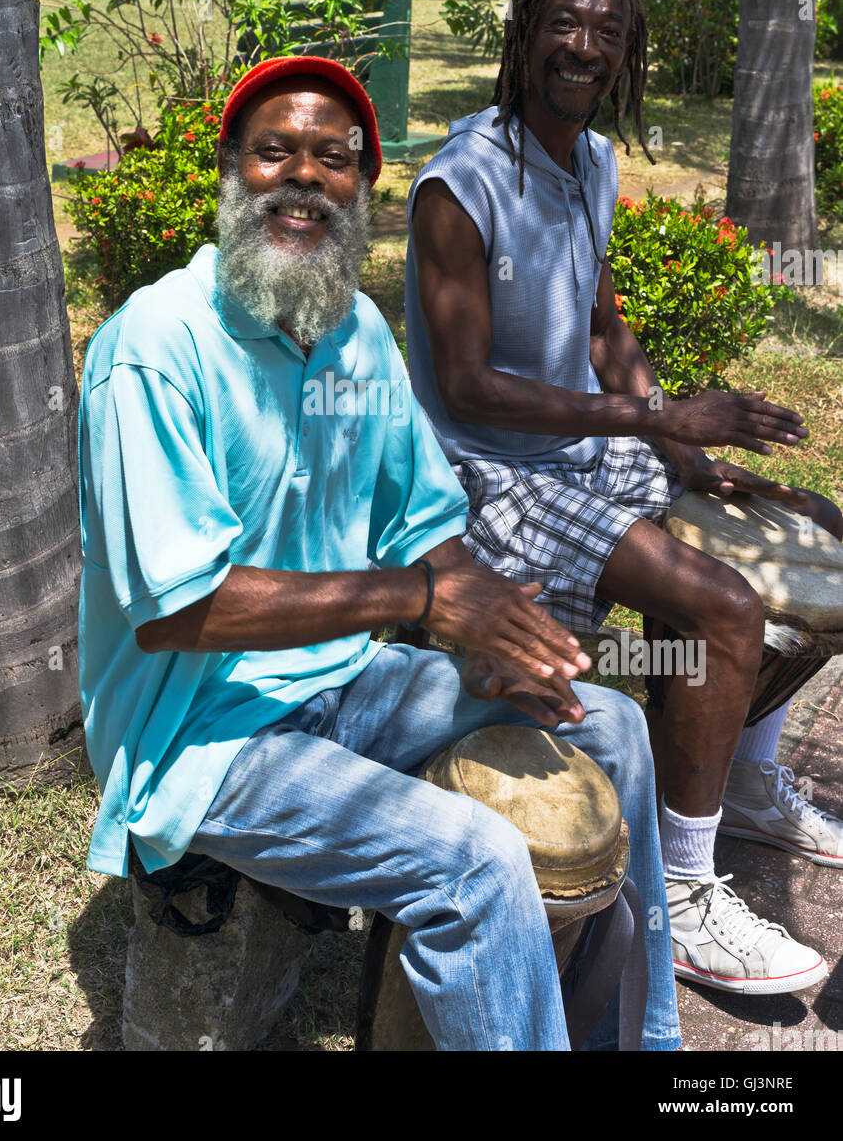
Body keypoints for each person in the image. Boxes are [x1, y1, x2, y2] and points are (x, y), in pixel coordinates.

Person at [76, 54, 681, 1050]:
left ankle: (647, 1043)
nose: (305, 177)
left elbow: (424, 521)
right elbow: (183, 608)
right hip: (204, 736)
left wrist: (492, 628)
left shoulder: (352, 331)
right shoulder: (156, 347)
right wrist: (419, 597)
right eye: (276, 153)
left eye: (336, 158)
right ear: (228, 171)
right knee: (475, 861)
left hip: (344, 681)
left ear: (363, 186)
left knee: (611, 723)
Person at [405, 0, 842, 997]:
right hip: (488, 476)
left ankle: (730, 778)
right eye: (565, 23)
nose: (584, 47)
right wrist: (652, 415)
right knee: (723, 607)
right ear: (524, 35)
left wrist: (680, 449)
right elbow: (466, 389)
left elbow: (602, 326)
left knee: (821, 533)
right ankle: (683, 898)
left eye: (606, 32)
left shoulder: (591, 162)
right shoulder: (456, 185)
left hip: (588, 447)